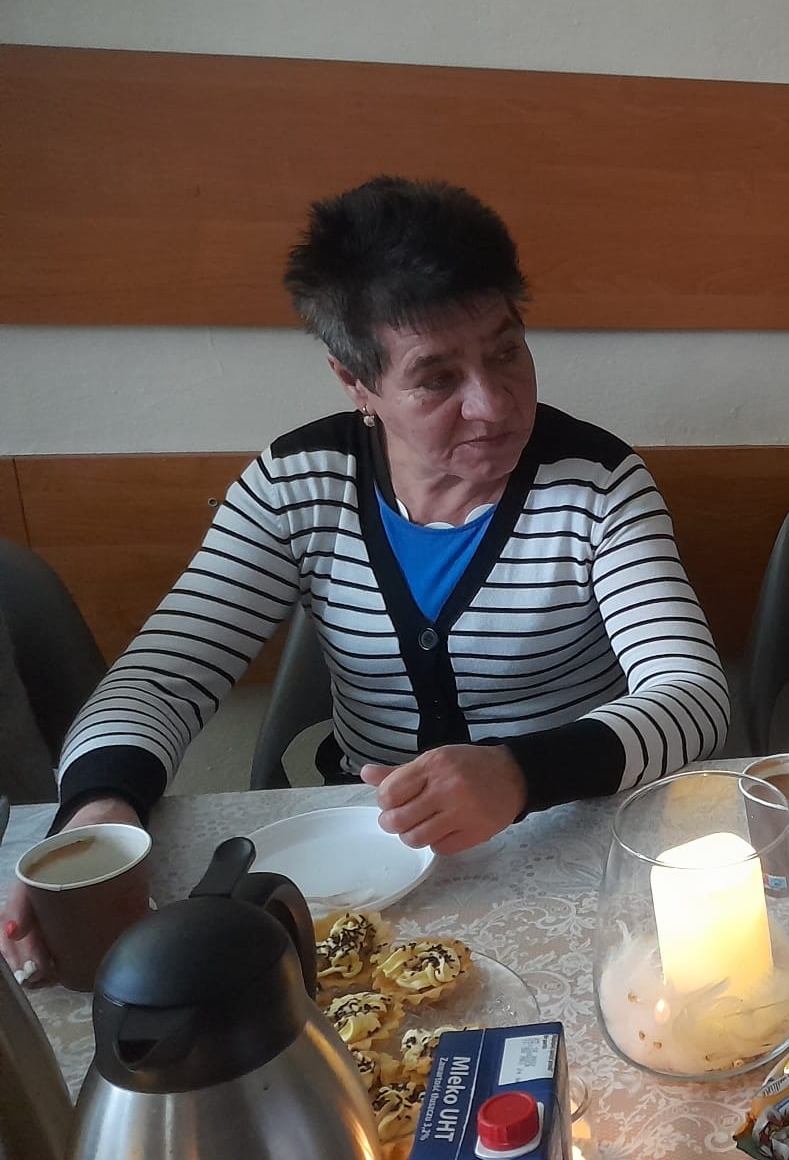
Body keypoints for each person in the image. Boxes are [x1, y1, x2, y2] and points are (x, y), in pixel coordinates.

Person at [2, 177, 729, 986]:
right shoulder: (295, 483)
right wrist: (100, 809)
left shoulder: (597, 484)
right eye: (437, 378)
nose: (493, 405)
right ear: (356, 382)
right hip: (363, 861)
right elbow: (161, 678)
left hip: (571, 833)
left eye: (505, 351)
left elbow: (691, 696)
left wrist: (522, 773)